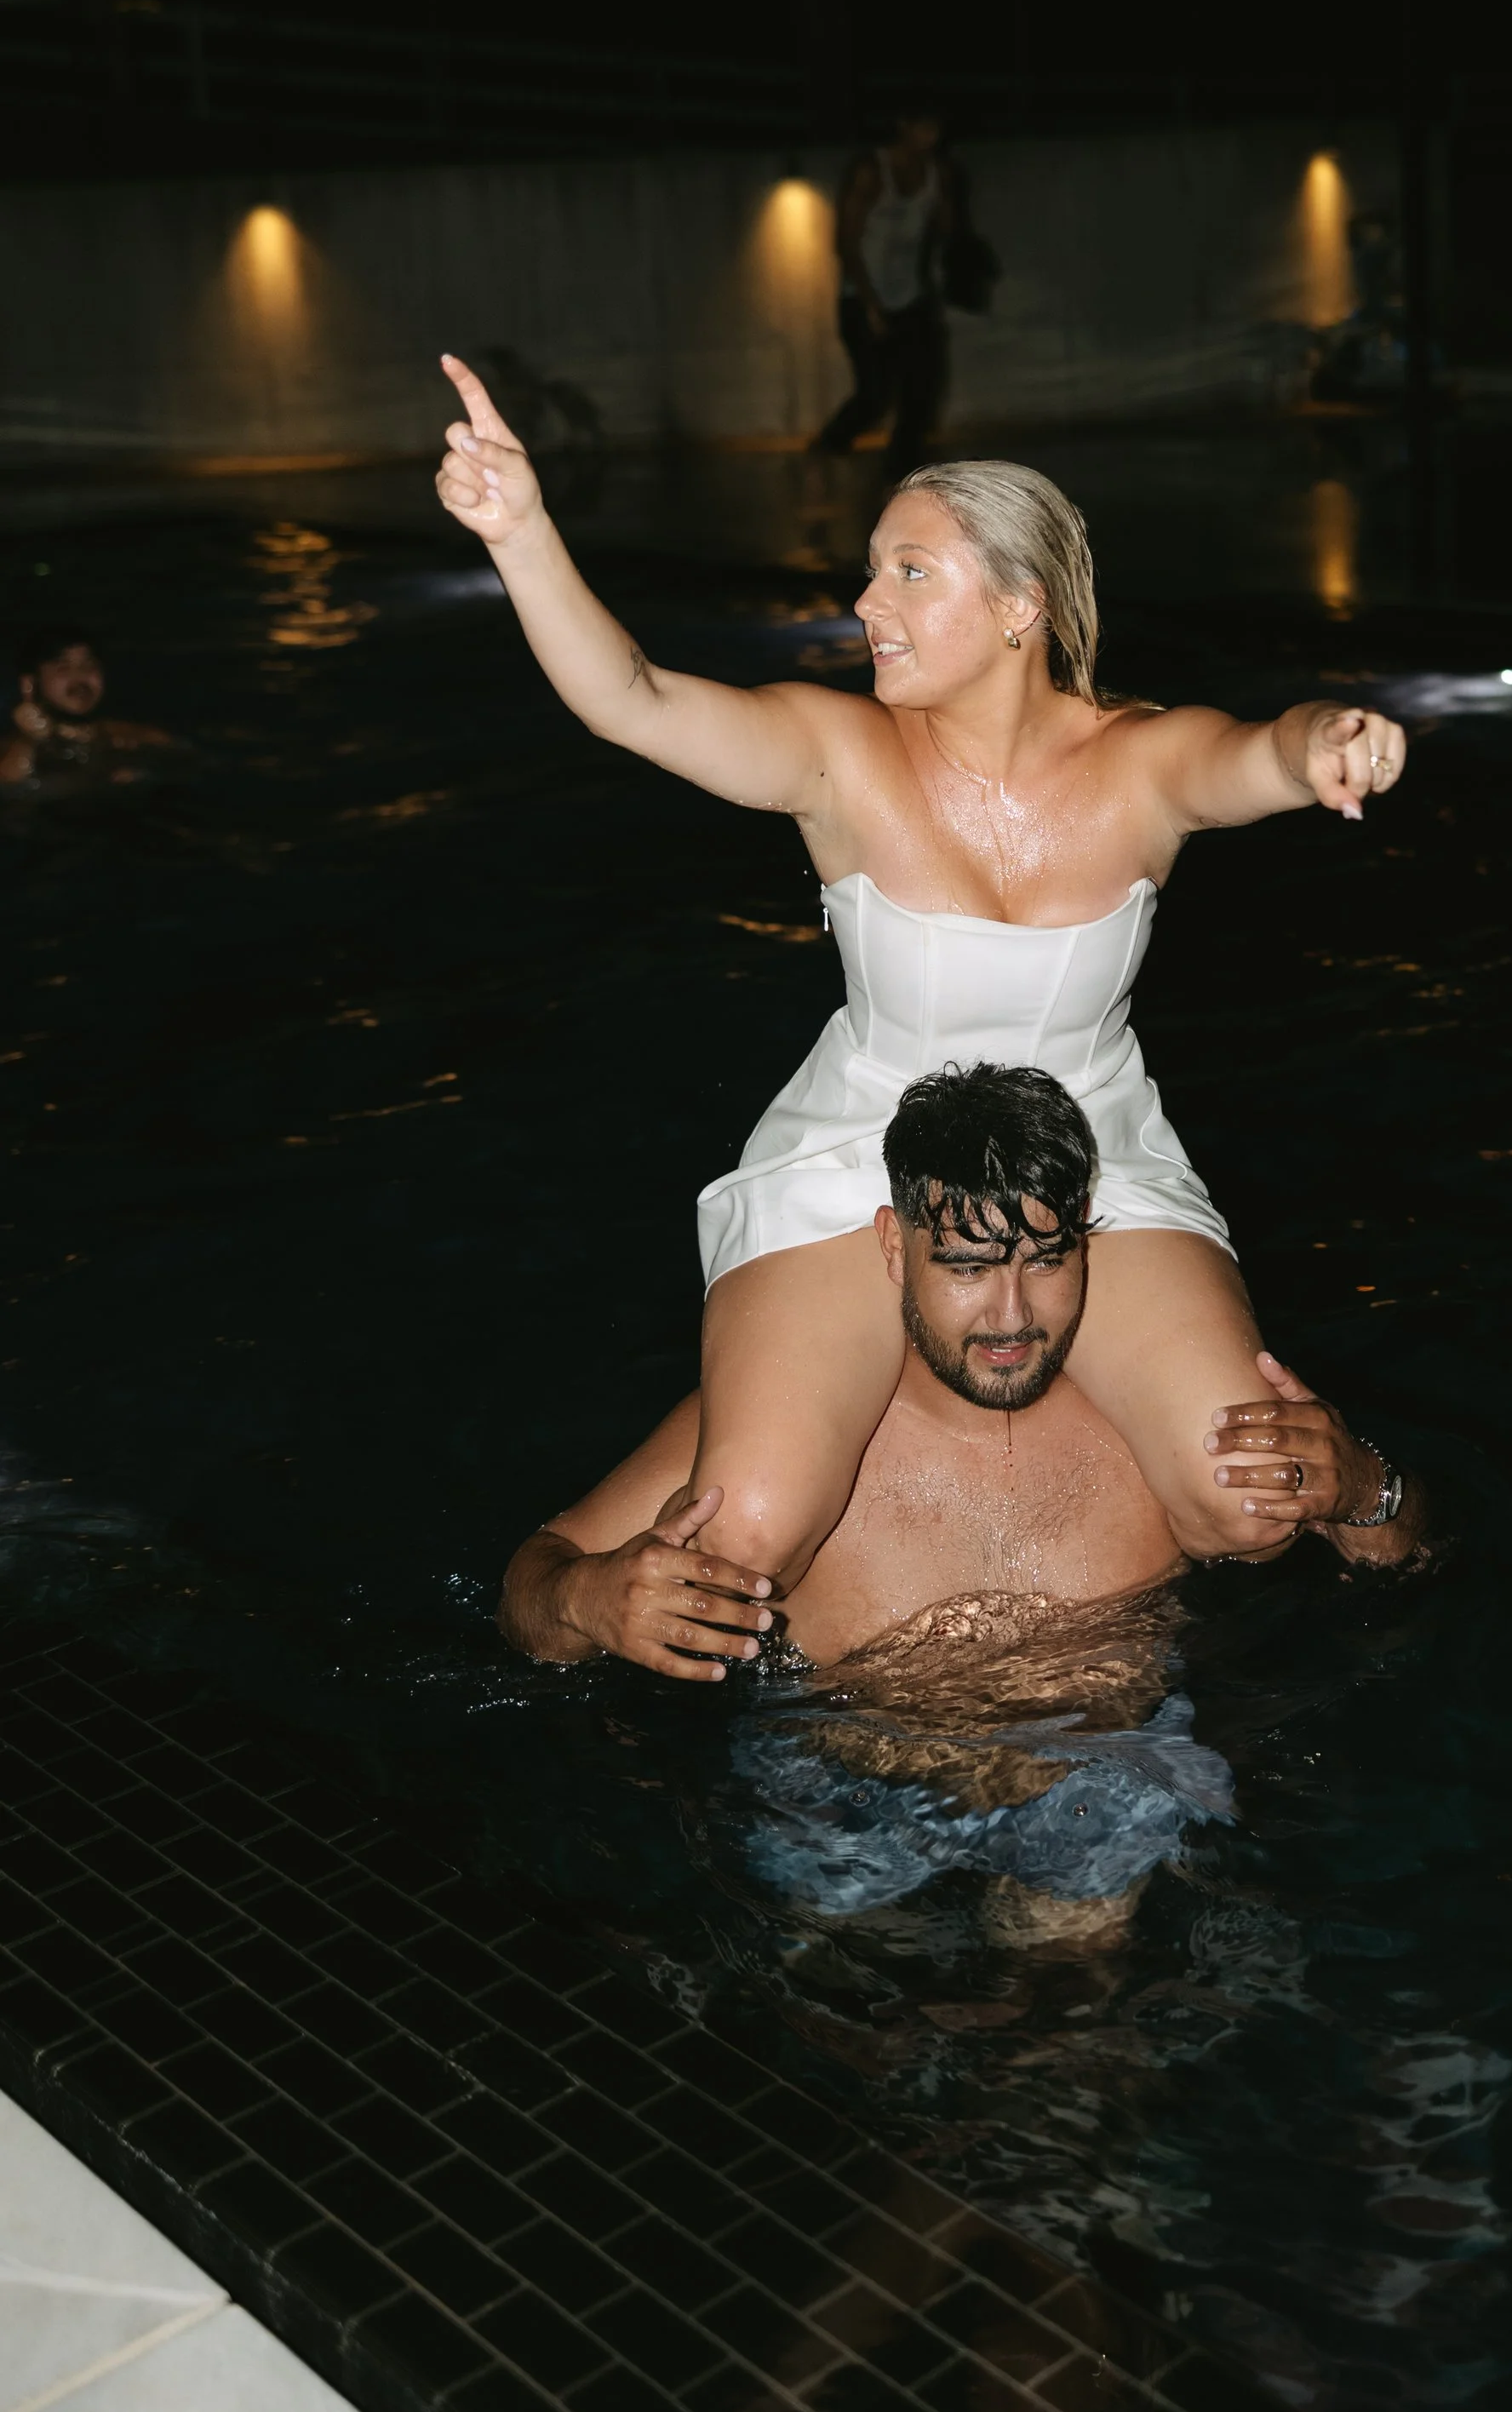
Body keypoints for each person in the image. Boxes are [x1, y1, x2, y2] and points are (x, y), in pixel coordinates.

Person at [432, 355, 1408, 1602]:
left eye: (908, 571)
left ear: (1020, 607)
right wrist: (519, 531)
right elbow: (632, 698)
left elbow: (1253, 753)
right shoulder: (838, 755)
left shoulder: (1140, 763)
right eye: (873, 569)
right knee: (750, 1539)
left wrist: (1326, 736)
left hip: (1089, 1154)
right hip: (866, 1147)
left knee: (1246, 1507)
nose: (864, 602)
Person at [501, 1065, 1425, 1928]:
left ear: (1089, 1237)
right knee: (858, 2039)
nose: (1011, 1318)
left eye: (1045, 1258)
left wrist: (1364, 1490)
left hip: (1095, 1785)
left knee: (1075, 2045)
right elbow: (530, 1593)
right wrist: (592, 1599)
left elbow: (1405, 1563)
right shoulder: (782, 1442)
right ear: (892, 1250)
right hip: (837, 1788)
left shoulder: (1166, 1435)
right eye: (968, 1266)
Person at [814, 106, 956, 458]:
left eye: (936, 129)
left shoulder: (935, 173)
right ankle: (825, 450)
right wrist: (869, 304)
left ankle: (902, 473)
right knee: (874, 395)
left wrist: (946, 197)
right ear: (903, 125)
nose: (931, 138)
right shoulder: (872, 172)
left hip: (910, 297)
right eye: (924, 128)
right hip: (862, 298)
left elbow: (946, 231)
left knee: (921, 391)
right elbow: (846, 243)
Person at [0, 627, 175, 788]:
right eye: (63, 668)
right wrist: (28, 741)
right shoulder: (11, 750)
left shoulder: (137, 737)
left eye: (89, 666)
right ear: (29, 684)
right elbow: (8, 787)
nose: (80, 677)